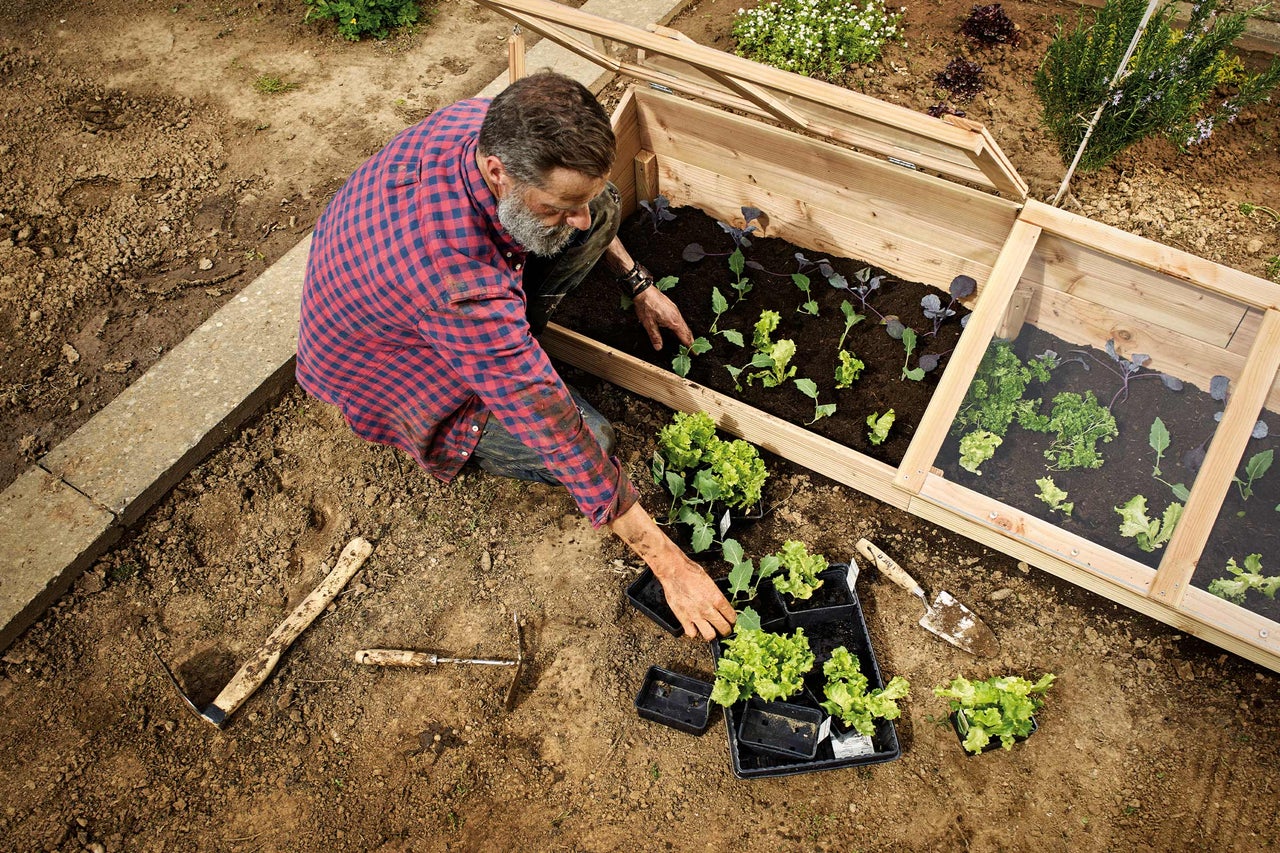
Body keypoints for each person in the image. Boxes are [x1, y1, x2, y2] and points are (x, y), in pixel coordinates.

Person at [297, 70, 736, 640]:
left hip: (404, 296)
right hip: (394, 372)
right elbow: (549, 421)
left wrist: (639, 283)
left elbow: (589, 208)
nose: (574, 219)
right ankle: (490, 377)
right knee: (591, 439)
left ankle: (512, 339)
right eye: (557, 206)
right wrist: (671, 564)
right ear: (498, 172)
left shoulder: (485, 125)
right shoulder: (458, 280)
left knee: (601, 208)